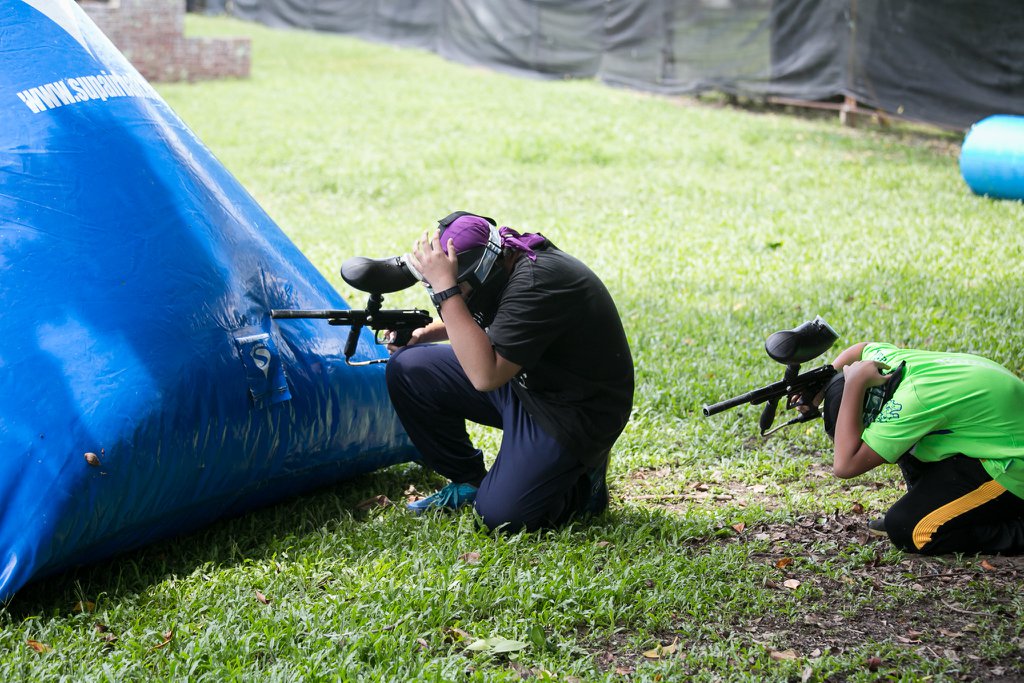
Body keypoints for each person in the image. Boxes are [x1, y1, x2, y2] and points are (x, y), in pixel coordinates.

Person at [384, 211, 634, 531]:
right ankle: (468, 480)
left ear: (480, 273)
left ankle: (584, 484)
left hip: (574, 412)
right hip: (525, 382)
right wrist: (424, 334)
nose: (447, 296)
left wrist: (446, 291)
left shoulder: (535, 282)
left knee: (499, 518)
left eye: (457, 288)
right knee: (409, 367)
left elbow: (485, 376)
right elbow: (489, 323)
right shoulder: (503, 261)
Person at [818, 341, 1024, 555]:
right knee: (909, 446)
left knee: (911, 530)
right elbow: (860, 348)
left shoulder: (911, 402)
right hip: (997, 441)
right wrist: (827, 382)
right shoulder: (886, 365)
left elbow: (844, 466)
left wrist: (854, 385)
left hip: (1013, 466)